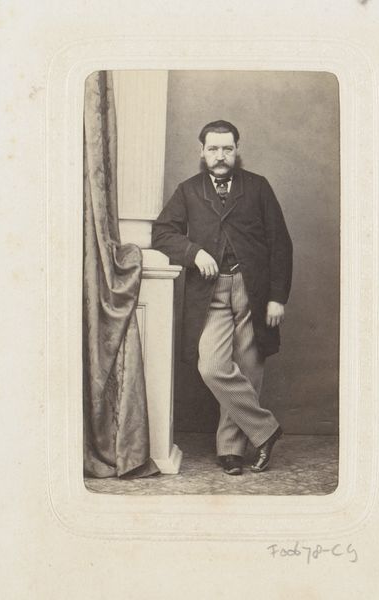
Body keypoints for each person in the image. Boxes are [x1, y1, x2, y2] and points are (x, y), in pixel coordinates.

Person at [152, 120, 293, 475]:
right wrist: (193, 252)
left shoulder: (258, 187)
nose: (220, 156)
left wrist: (277, 297)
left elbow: (280, 244)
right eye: (213, 149)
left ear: (237, 150)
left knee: (248, 369)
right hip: (209, 292)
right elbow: (162, 233)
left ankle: (231, 449)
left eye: (227, 149)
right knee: (213, 367)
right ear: (202, 152)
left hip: (253, 290)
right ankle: (266, 430)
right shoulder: (188, 190)